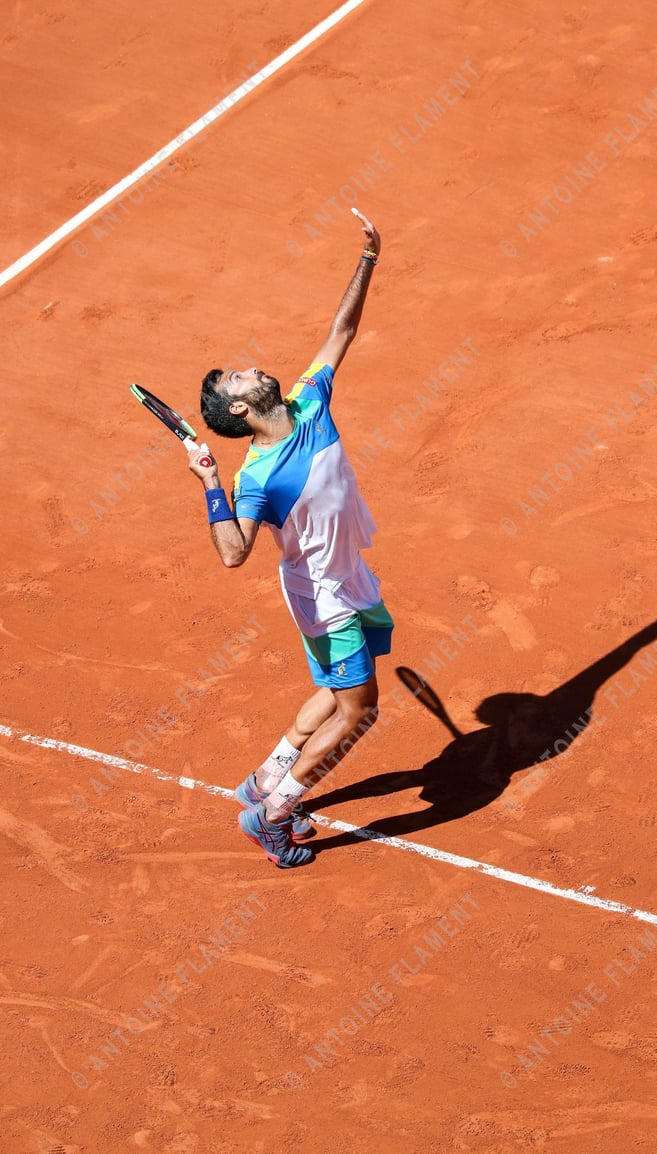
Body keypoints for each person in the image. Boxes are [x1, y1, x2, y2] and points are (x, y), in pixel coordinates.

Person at [187, 211, 392, 868]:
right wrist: (211, 482)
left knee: (336, 690)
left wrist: (368, 258)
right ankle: (275, 814)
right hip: (325, 596)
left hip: (348, 576)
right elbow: (233, 553)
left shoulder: (309, 400)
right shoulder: (254, 478)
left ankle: (264, 779)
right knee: (360, 711)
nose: (251, 367)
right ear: (240, 409)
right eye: (238, 378)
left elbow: (342, 331)